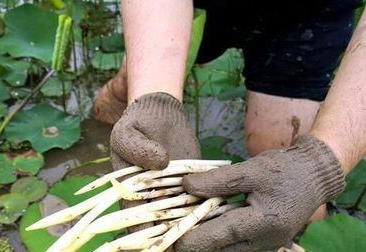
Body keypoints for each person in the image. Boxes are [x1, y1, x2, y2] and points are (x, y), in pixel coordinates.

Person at [94, 0, 366, 251]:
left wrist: (321, 165)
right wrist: (154, 94)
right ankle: (107, 113)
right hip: (190, 7)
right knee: (135, 94)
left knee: (292, 181)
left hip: (308, 10)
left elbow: (314, 169)